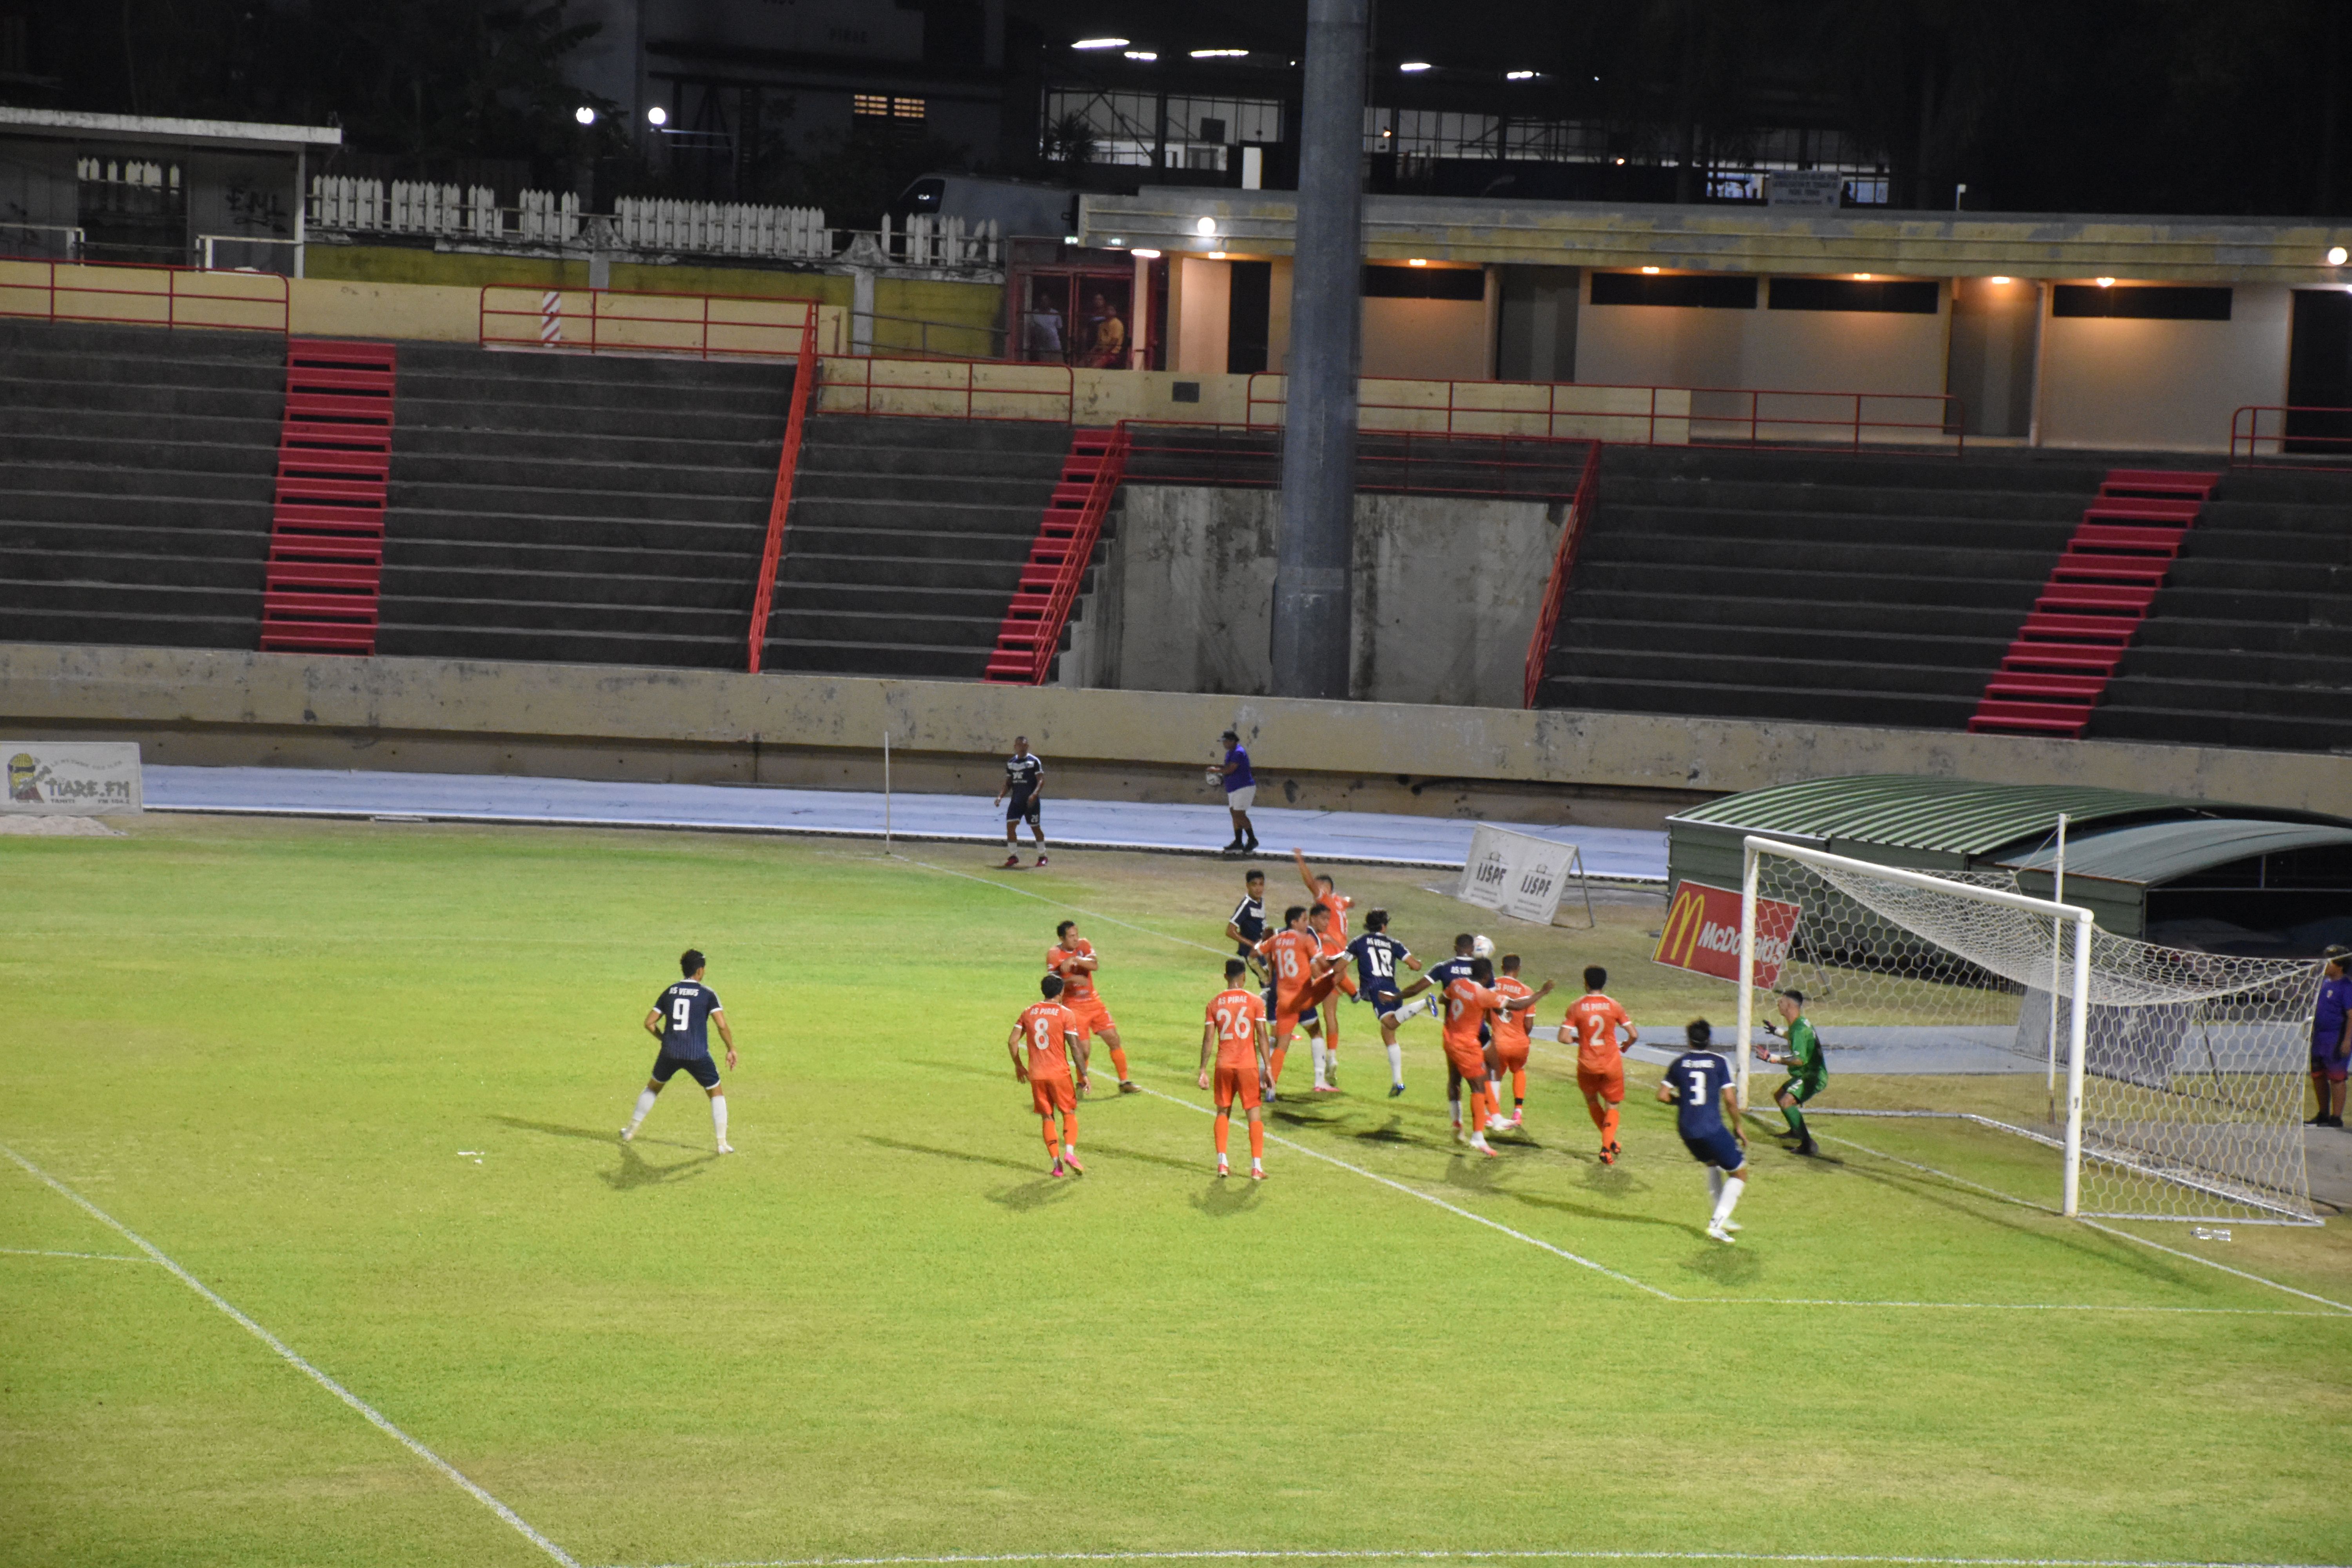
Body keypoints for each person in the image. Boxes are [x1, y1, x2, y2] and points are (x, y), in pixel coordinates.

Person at [624, 948, 738, 1153]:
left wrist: (665, 1039)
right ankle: (722, 1143)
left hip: (670, 1052)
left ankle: (630, 1131)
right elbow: (721, 1025)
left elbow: (650, 1023)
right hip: (698, 1054)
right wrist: (731, 1048)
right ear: (700, 971)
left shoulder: (670, 991)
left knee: (652, 1088)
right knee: (716, 1093)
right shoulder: (707, 994)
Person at [1656, 1019, 1749, 1244]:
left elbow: (1662, 1095)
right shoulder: (1719, 1062)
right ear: (1709, 1039)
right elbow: (1729, 1100)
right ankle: (1717, 1224)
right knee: (1740, 1173)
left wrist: (1682, 1102)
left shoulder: (1679, 1063)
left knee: (1712, 1163)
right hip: (1711, 1128)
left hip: (1687, 1130)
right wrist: (1738, 1125)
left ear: (1688, 1040)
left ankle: (1721, 1217)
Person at [1439, 956, 1544, 1158]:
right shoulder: (1484, 995)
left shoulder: (1457, 984)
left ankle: (1469, 1122)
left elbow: (1444, 999)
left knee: (1458, 1080)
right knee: (1479, 1087)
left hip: (1450, 1038)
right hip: (1467, 1045)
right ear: (1487, 975)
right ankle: (1479, 1136)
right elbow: (1515, 1006)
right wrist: (1542, 992)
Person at [1397, 934, 1483, 1136]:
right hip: (1479, 1031)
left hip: (1453, 1031)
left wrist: (1396, 996)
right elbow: (1492, 996)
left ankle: (1457, 1122)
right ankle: (1487, 1121)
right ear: (1472, 949)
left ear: (1456, 948)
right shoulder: (1481, 969)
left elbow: (1417, 988)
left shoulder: (1443, 967)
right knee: (1484, 1080)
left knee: (1455, 1079)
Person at [1199, 958, 1272, 1178]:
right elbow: (1261, 1034)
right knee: (1254, 1113)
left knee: (1223, 1112)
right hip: (1248, 1065)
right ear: (1244, 977)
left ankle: (1222, 1164)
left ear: (1225, 977)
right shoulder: (1256, 1001)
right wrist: (1268, 1067)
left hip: (1224, 1064)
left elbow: (1209, 1038)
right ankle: (1257, 1167)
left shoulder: (1214, 1004)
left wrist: (1203, 1069)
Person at [1049, 919, 1138, 1094]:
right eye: (1071, 936)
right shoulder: (1054, 954)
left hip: (1094, 1002)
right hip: (1073, 1006)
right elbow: (1051, 983)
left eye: (1077, 935)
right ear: (1062, 938)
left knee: (1114, 1039)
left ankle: (1125, 1081)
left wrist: (1076, 960)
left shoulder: (1084, 945)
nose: (1076, 939)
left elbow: (1095, 965)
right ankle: (1082, 1083)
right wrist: (1072, 980)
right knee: (1084, 1050)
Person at [1008, 975, 1085, 1176]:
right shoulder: (1065, 1014)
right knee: (1068, 1113)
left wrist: (1019, 1066)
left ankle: (1057, 1166)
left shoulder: (1029, 1012)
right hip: (1059, 1073)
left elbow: (1012, 1041)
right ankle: (1070, 1153)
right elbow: (1075, 1047)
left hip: (1036, 1075)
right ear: (1061, 993)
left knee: (1047, 1117)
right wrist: (1083, 1075)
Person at [1563, 965, 1639, 1164]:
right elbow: (1634, 1034)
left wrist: (1579, 1040)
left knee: (1592, 1101)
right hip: (1611, 1062)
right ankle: (1607, 1147)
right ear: (1604, 983)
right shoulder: (1614, 1005)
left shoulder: (1576, 1006)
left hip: (1587, 1064)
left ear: (1585, 983)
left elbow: (1563, 1038)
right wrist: (1627, 1046)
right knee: (1612, 1105)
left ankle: (1610, 1142)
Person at [1346, 908, 1424, 1098]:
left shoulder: (1358, 942)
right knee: (1388, 1034)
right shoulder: (1393, 943)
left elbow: (1341, 966)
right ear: (1383, 926)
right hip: (1393, 989)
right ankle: (1398, 1082)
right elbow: (1416, 966)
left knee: (1389, 1022)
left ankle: (1423, 1004)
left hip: (1377, 990)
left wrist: (1350, 989)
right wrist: (1418, 962)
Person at [1294, 849, 1357, 1085]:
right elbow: (1352, 902)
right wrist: (1344, 901)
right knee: (1331, 1012)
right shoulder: (1339, 903)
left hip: (1326, 956)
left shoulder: (1324, 898)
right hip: (1342, 956)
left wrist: (1299, 859)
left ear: (1326, 887)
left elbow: (1310, 882)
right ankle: (1332, 1057)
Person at [1254, 903, 1329, 1098]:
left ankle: (1268, 1085)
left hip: (1279, 996)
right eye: (1304, 920)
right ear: (1294, 922)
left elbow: (1256, 954)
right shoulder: (1307, 939)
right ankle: (1320, 1081)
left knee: (1278, 1042)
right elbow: (1318, 966)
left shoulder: (1277, 937)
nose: (1307, 924)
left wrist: (1267, 978)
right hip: (1301, 994)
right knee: (1316, 1033)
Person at [1758, 989, 1826, 1157]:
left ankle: (1808, 1145)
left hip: (1812, 1076)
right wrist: (1777, 1032)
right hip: (1807, 1074)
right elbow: (1795, 1038)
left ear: (1788, 1005)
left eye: (1781, 1002)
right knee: (1779, 1095)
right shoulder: (1801, 1023)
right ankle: (1796, 1132)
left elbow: (1799, 1060)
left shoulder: (1799, 1029)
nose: (1778, 1004)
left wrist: (1772, 1058)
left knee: (1786, 1102)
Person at [1490, 955, 1555, 1129]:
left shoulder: (1491, 985)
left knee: (1495, 1076)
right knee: (1519, 1071)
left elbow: (1485, 1014)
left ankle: (1492, 1114)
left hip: (1499, 1043)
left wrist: (1495, 1025)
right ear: (1519, 969)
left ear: (1502, 966)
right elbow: (1529, 1025)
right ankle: (1518, 1111)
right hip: (1520, 1044)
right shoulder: (1527, 991)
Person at [2309, 946, 2351, 1128]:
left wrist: (2347, 1040)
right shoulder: (2324, 984)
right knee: (2318, 1075)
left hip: (2335, 1038)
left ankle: (2336, 1117)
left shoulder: (2346, 987)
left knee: (2336, 1077)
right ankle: (2323, 1114)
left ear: (2340, 965)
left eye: (2329, 961)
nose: (2325, 964)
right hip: (2319, 1038)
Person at [994, 737, 1047, 869]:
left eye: (1024, 745)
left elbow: (1041, 780)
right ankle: (1013, 856)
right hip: (1017, 801)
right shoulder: (1011, 763)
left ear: (1027, 746)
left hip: (1031, 801)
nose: (1022, 747)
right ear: (1015, 746)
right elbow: (1008, 783)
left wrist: (1035, 794)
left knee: (1035, 827)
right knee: (1010, 826)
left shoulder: (1034, 761)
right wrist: (1000, 797)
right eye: (1019, 745)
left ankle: (1043, 856)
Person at [1212, 729, 1258, 854]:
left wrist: (1216, 771)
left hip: (1243, 787)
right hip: (1234, 788)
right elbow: (1226, 768)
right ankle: (1238, 841)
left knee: (1239, 814)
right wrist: (1217, 769)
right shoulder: (1230, 753)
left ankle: (1253, 839)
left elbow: (1230, 770)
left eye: (1226, 742)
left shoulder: (1238, 752)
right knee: (1234, 813)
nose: (1224, 744)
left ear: (1233, 741)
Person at [1226, 867, 1270, 983]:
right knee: (1269, 981)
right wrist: (1251, 944)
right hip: (1253, 954)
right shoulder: (1246, 905)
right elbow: (1230, 931)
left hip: (1262, 949)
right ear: (1248, 886)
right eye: (1254, 885)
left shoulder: (1261, 901)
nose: (1258, 888)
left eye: (1261, 884)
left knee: (1272, 982)